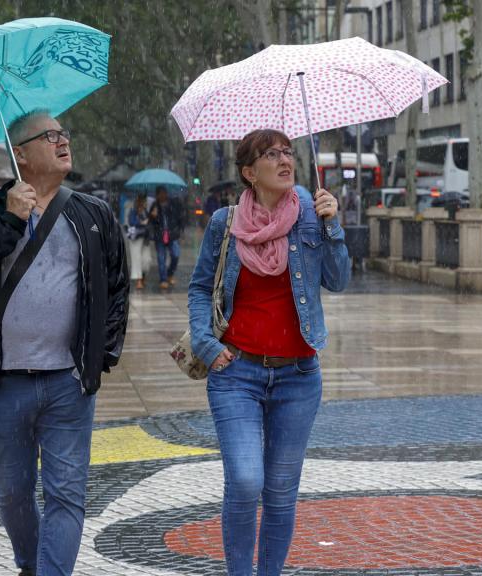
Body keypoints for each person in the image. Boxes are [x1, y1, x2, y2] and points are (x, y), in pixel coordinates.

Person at [0, 110, 129, 576]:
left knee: (67, 494)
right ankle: (31, 565)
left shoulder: (93, 213)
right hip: (5, 382)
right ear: (20, 154)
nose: (63, 141)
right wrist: (8, 221)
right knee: (12, 493)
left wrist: (99, 356)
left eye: (64, 133)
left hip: (69, 383)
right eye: (50, 136)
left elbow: (117, 286)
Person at [188, 128, 351, 576]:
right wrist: (206, 343)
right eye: (271, 154)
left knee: (280, 491)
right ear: (248, 172)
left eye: (287, 152)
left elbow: (339, 281)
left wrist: (333, 224)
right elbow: (202, 287)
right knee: (245, 481)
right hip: (236, 373)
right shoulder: (225, 222)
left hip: (298, 376)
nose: (284, 160)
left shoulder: (312, 217)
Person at [148, 185, 183, 290]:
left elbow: (179, 217)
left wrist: (180, 230)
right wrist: (153, 216)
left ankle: (170, 274)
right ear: (157, 195)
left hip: (172, 234)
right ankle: (163, 279)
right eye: (160, 193)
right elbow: (151, 222)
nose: (163, 195)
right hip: (159, 235)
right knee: (161, 258)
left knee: (176, 255)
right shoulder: (155, 205)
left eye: (164, 193)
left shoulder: (173, 203)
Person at [127, 194, 150, 290]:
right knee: (136, 259)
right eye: (141, 201)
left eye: (144, 201)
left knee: (147, 260)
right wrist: (141, 222)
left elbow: (150, 223)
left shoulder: (146, 211)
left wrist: (151, 217)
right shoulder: (133, 211)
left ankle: (143, 276)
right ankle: (139, 280)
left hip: (145, 238)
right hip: (135, 238)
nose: (143, 203)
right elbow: (131, 222)